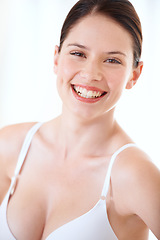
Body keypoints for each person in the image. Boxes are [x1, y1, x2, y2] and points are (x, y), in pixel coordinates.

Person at [0, 0, 160, 239]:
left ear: (134, 75)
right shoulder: (10, 145)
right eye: (78, 54)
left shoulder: (133, 174)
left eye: (112, 60)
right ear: (56, 58)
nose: (90, 74)